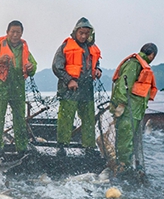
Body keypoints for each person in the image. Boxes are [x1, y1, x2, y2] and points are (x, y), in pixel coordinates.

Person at [0, 20, 38, 155]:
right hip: (0, 87)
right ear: (7, 32)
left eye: (18, 32)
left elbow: (33, 66)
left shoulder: (24, 48)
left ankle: (21, 150)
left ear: (22, 33)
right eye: (13, 32)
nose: (15, 35)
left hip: (18, 88)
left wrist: (31, 67)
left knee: (19, 119)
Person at [52, 17, 102, 156]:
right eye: (81, 33)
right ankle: (61, 146)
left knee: (88, 119)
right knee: (66, 118)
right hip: (69, 90)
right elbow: (56, 67)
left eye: (86, 33)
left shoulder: (92, 48)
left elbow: (95, 63)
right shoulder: (65, 47)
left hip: (87, 89)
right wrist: (69, 80)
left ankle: (89, 147)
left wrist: (98, 70)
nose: (84, 36)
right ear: (75, 32)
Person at [110, 43, 158, 172]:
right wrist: (121, 104)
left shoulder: (141, 65)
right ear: (152, 55)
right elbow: (122, 85)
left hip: (136, 111)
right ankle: (122, 166)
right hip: (127, 110)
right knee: (125, 138)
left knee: (130, 139)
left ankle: (126, 164)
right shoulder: (134, 64)